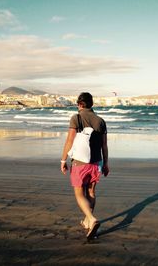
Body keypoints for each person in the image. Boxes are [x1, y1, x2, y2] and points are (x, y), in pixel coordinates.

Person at [61, 92, 109, 240]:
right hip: (96, 163)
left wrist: (63, 160)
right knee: (91, 193)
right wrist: (106, 163)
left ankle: (91, 218)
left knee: (79, 194)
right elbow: (104, 145)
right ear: (91, 104)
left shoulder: (76, 118)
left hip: (80, 163)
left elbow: (70, 140)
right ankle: (88, 222)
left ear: (80, 104)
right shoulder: (101, 121)